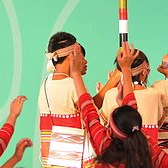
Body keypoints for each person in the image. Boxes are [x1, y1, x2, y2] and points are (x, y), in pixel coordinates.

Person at [69, 42, 168, 168]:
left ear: (110, 129)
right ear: (144, 72)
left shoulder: (104, 144)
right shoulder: (149, 150)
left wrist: (76, 73)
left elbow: (89, 112)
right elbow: (133, 111)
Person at [38, 31, 120, 168]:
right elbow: (90, 111)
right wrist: (115, 79)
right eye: (80, 55)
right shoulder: (71, 84)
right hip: (74, 159)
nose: (83, 60)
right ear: (72, 56)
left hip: (51, 159)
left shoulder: (46, 84)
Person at [101, 50, 163, 143]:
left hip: (118, 153)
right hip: (147, 153)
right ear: (144, 72)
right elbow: (160, 121)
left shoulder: (110, 94)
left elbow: (104, 125)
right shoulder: (154, 94)